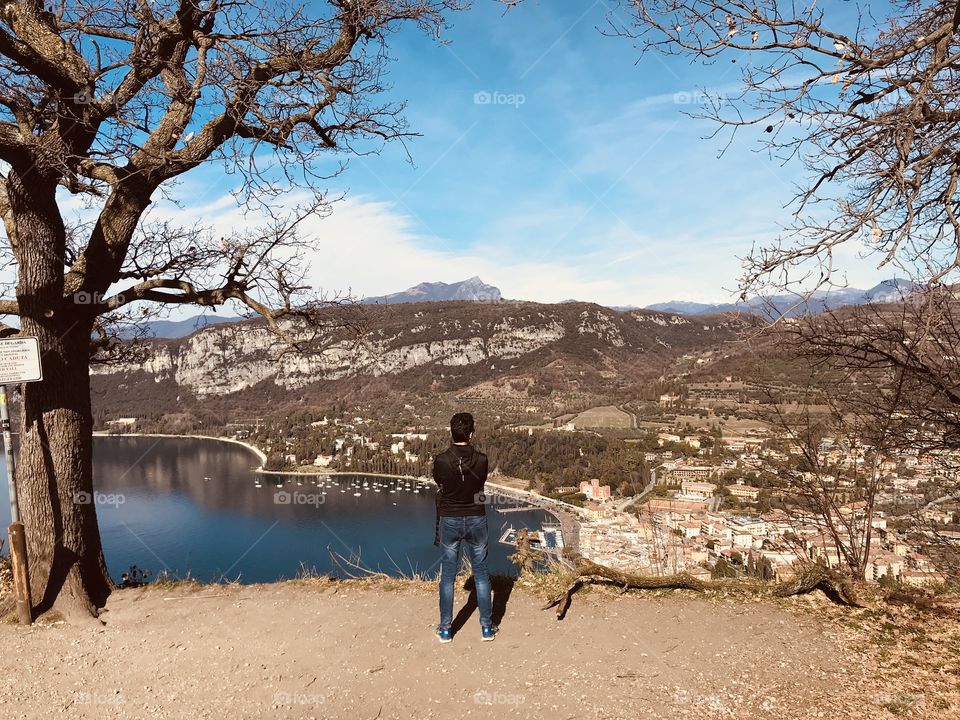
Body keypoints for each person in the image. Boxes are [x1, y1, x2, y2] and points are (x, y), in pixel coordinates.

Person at [432, 412, 496, 643]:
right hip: (477, 517)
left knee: (448, 576)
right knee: (481, 573)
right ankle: (487, 628)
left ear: (452, 432)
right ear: (472, 433)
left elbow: (440, 483)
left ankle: (446, 629)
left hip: (450, 519)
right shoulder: (482, 459)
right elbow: (479, 484)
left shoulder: (441, 460)